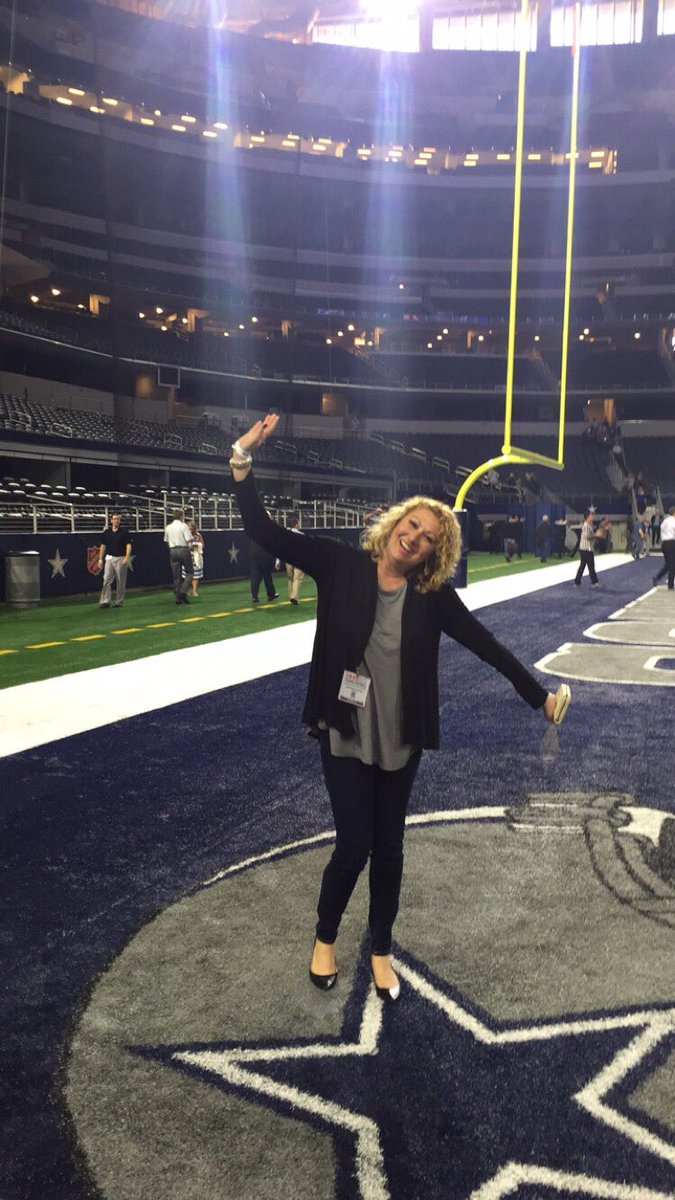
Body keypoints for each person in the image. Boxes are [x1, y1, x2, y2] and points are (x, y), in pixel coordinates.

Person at [229, 416, 560, 1004]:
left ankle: (381, 949)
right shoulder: (340, 564)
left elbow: (487, 645)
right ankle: (325, 938)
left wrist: (539, 697)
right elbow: (266, 530)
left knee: (391, 848)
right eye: (412, 525)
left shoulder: (433, 597)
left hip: (399, 738)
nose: (415, 538)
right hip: (346, 730)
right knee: (354, 845)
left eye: (430, 536)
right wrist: (242, 459)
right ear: (394, 523)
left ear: (438, 549)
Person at [97, 511, 132, 609]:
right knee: (106, 579)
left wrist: (127, 557)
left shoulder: (124, 532)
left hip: (120, 558)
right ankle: (105, 601)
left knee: (120, 581)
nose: (116, 521)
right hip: (109, 558)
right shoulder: (106, 533)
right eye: (115, 519)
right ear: (111, 520)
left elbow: (128, 545)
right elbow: (103, 546)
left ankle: (119, 601)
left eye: (118, 519)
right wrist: (100, 559)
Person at [164, 507, 194, 604]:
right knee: (189, 572)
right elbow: (189, 541)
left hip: (173, 550)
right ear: (181, 516)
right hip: (183, 549)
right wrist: (191, 549)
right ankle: (183, 592)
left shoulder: (168, 527)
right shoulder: (184, 526)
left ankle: (177, 597)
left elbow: (167, 541)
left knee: (176, 576)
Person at [249, 518, 279, 604]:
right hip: (264, 555)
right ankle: (271, 594)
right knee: (267, 575)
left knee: (255, 577)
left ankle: (254, 596)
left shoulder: (255, 526)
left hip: (254, 554)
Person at [574, 511, 600, 587]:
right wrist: (596, 535)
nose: (593, 517)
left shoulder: (588, 525)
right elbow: (587, 536)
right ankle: (594, 582)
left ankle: (577, 581)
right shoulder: (586, 526)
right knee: (591, 565)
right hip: (586, 549)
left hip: (585, 548)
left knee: (583, 565)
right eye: (592, 516)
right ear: (588, 517)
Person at [284, 514, 305, 605]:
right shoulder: (301, 535)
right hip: (298, 558)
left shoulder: (286, 535)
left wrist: (277, 560)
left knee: (290, 579)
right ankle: (294, 596)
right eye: (299, 523)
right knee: (297, 578)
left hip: (288, 558)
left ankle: (291, 597)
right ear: (296, 524)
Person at [652, 506, 675, 589]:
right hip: (672, 543)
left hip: (664, 543)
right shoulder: (673, 521)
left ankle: (657, 577)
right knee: (672, 565)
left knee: (668, 564)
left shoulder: (665, 521)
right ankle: (671, 584)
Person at [183, 521, 204, 598]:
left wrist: (198, 544)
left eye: (192, 529)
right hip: (187, 556)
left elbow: (203, 545)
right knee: (187, 574)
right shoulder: (185, 535)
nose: (190, 530)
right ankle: (186, 590)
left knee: (195, 575)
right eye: (189, 529)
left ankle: (194, 591)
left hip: (195, 557)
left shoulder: (198, 535)